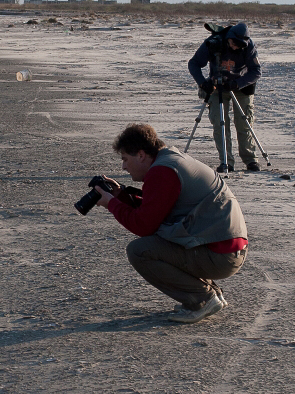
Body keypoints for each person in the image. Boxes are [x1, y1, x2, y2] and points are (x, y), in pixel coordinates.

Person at [92, 123, 248, 323]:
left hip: (220, 255)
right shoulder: (171, 160)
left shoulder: (162, 172)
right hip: (227, 250)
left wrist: (111, 204)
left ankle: (202, 299)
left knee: (140, 251)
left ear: (141, 155)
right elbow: (157, 211)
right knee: (159, 240)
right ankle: (211, 295)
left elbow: (144, 226)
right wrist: (121, 197)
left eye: (125, 159)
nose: (123, 166)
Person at [188, 22, 261, 172]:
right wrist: (202, 83)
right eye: (234, 43)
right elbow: (194, 63)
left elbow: (256, 71)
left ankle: (250, 159)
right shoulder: (213, 43)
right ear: (229, 37)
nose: (235, 47)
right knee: (220, 123)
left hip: (241, 86)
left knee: (244, 122)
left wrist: (237, 84)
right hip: (216, 87)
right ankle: (226, 161)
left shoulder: (249, 46)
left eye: (239, 45)